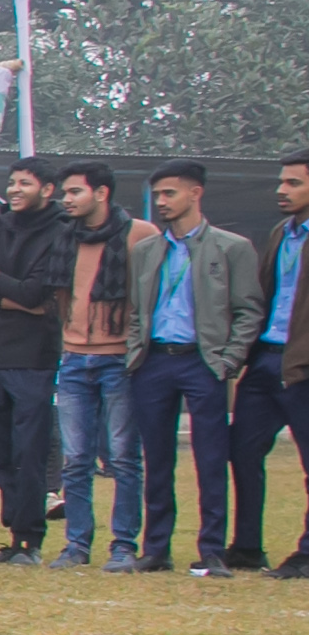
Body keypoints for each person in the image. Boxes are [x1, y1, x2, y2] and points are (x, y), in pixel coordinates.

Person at [128, 158, 260, 575]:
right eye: (158, 195)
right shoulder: (147, 250)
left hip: (203, 362)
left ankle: (212, 550)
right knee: (157, 458)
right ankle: (155, 548)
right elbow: (134, 309)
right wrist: (136, 351)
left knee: (210, 457)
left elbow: (249, 310)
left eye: (170, 193)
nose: (162, 202)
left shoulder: (231, 247)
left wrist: (228, 360)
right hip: (154, 362)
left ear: (195, 194)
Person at [0, 159, 74, 563]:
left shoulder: (61, 232)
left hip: (32, 358)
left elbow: (37, 294)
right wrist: (13, 297)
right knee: (0, 454)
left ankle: (31, 540)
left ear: (48, 190)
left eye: (26, 183)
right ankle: (15, 533)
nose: (15, 189)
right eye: (12, 182)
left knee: (30, 451)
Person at [45, 162, 159, 571]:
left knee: (124, 458)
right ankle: (76, 545)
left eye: (75, 191)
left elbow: (152, 297)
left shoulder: (141, 236)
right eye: (65, 192)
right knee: (76, 460)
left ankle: (123, 546)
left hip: (120, 360)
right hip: (74, 358)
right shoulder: (65, 237)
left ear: (101, 193)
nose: (66, 199)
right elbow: (61, 298)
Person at [245, 154, 309, 577]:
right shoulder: (279, 234)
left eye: (293, 183)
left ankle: (306, 553)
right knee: (242, 451)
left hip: (301, 365)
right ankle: (247, 547)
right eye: (281, 182)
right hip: (266, 358)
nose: (281, 190)